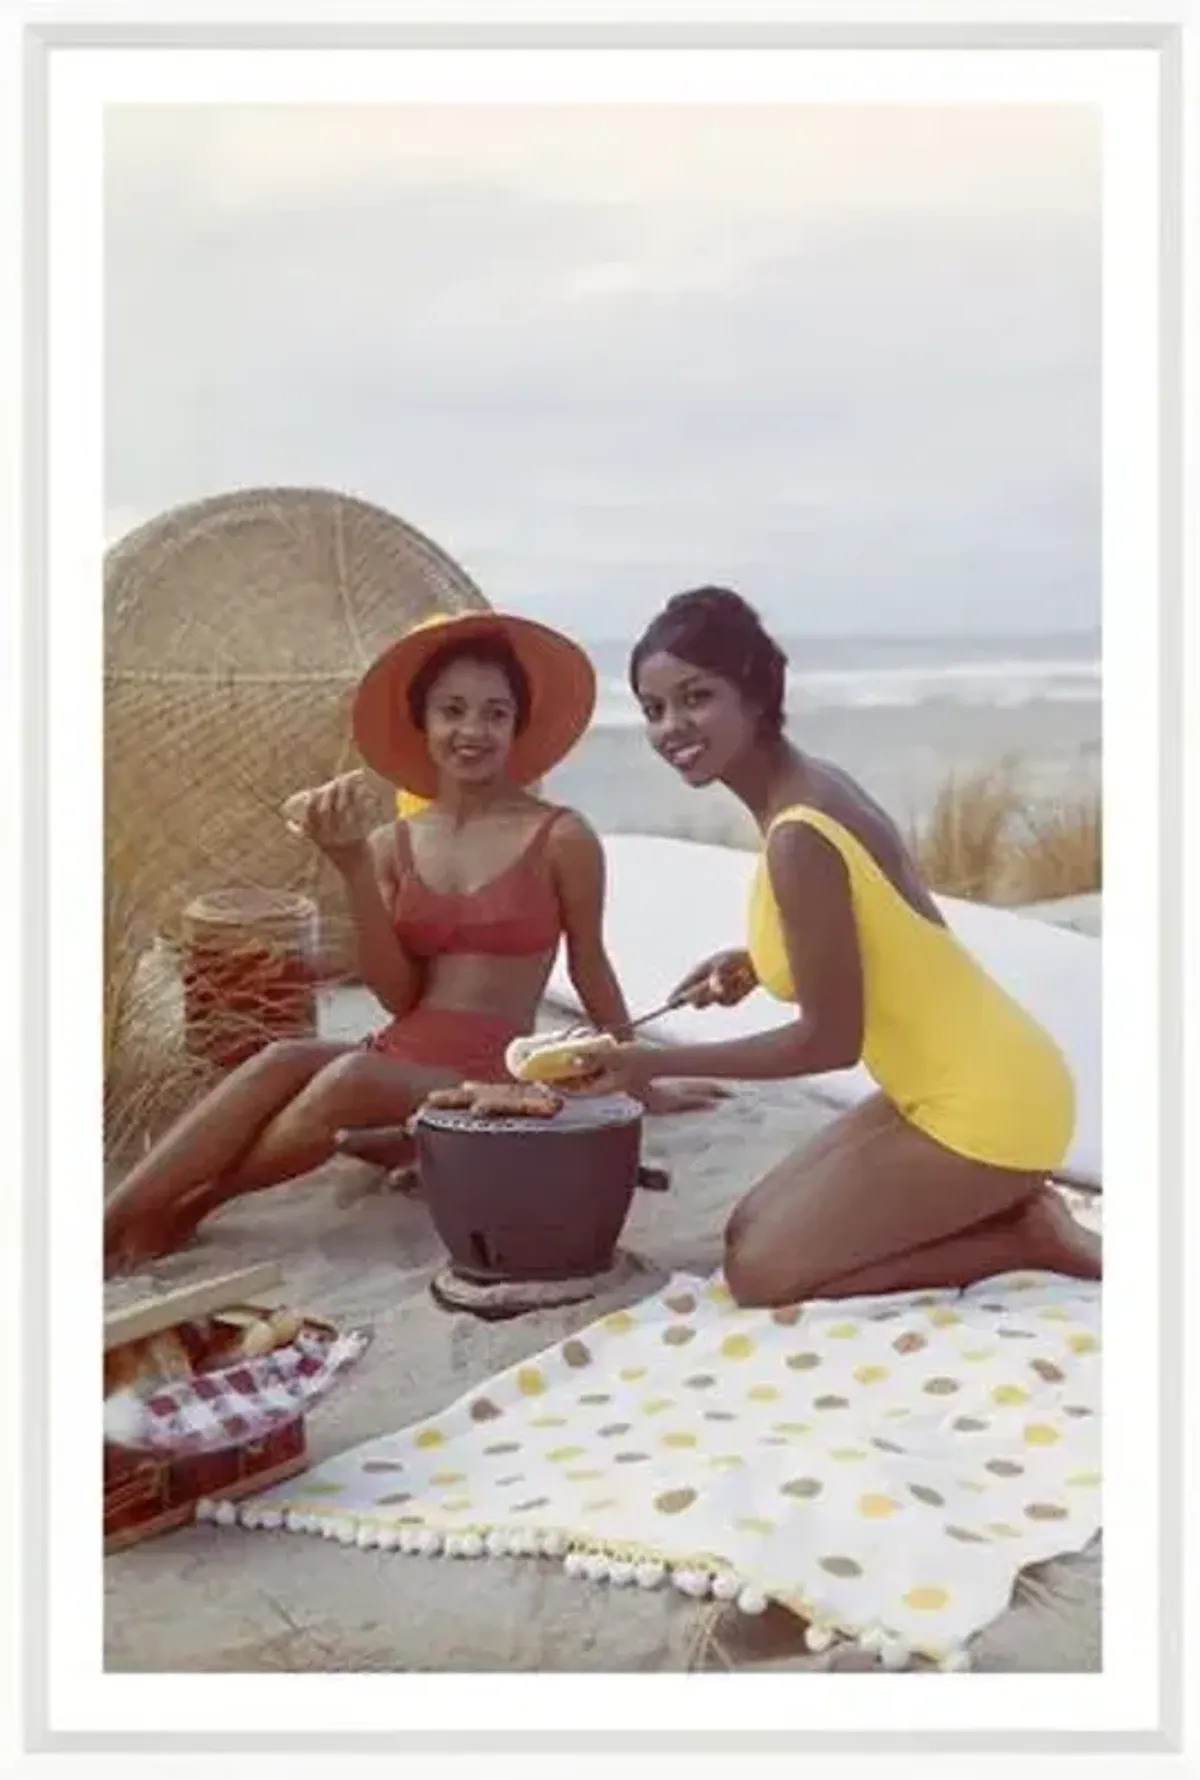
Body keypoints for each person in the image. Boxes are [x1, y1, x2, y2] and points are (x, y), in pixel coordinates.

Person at [103, 609, 722, 1273]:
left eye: (495, 713)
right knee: (281, 1056)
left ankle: (191, 1206)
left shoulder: (561, 837)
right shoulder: (390, 845)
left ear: (518, 726)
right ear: (423, 723)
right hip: (398, 1063)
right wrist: (351, 870)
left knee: (347, 1077)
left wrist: (642, 1077)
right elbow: (399, 997)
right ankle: (111, 1220)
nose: (473, 731)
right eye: (452, 710)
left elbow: (590, 965)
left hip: (495, 1077)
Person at [558, 587, 1101, 1307]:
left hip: (991, 1104)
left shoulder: (800, 834)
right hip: (935, 1086)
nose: (671, 727)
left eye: (696, 697)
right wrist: (753, 963)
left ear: (754, 692)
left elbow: (829, 1044)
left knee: (760, 1276)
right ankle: (998, 1207)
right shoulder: (804, 789)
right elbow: (872, 924)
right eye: (654, 708)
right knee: (747, 1228)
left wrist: (648, 1063)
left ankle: (1026, 1235)